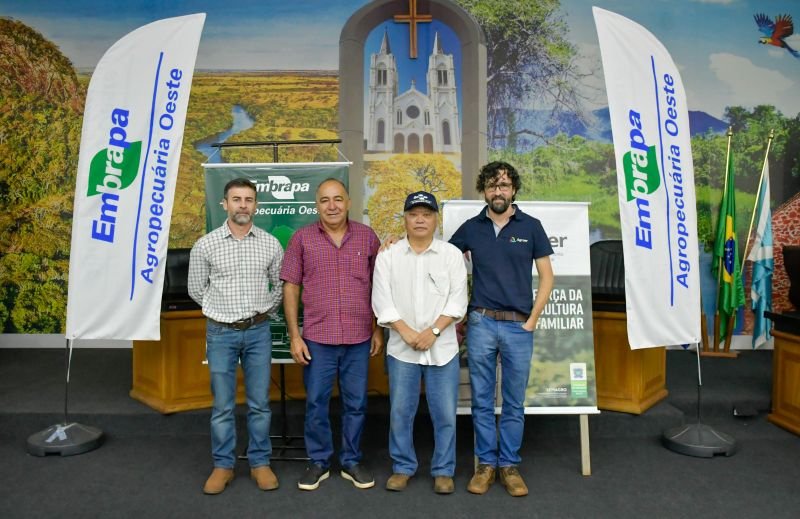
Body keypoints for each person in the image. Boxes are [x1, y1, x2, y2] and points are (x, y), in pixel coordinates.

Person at [450, 161, 554, 497]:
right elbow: (439, 258)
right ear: (484, 191)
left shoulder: (531, 226)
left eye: (504, 185)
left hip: (519, 326)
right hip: (481, 322)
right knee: (481, 400)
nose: (499, 191)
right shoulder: (471, 228)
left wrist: (532, 319)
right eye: (492, 185)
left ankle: (509, 465)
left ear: (514, 190)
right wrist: (398, 242)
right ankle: (485, 466)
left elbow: (547, 277)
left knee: (513, 402)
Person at [280, 178, 383, 491]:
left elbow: (381, 285)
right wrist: (295, 336)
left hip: (359, 337)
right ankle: (319, 461)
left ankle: (351, 460)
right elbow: (291, 287)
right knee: (316, 403)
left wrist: (377, 329)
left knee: (356, 403)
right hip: (317, 338)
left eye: (338, 199)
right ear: (317, 205)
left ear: (349, 202)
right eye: (325, 200)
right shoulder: (301, 239)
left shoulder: (367, 237)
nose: (332, 206)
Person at [188, 178, 284, 495]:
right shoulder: (205, 245)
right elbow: (196, 289)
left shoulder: (270, 244)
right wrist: (220, 310)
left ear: (256, 205)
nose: (243, 205)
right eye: (236, 199)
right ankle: (223, 466)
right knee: (222, 407)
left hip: (258, 332)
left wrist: (262, 312)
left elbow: (279, 286)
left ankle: (260, 463)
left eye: (248, 199)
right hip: (220, 334)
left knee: (260, 404)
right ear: (225, 204)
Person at [372, 191, 468, 495]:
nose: (420, 220)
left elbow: (458, 301)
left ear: (436, 219)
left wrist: (433, 332)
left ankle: (443, 470)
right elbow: (381, 301)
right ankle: (402, 467)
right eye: (414, 214)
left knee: (445, 414)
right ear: (405, 219)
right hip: (402, 349)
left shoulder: (451, 255)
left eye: (426, 214)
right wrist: (407, 332)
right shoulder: (388, 255)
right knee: (401, 412)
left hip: (443, 349)